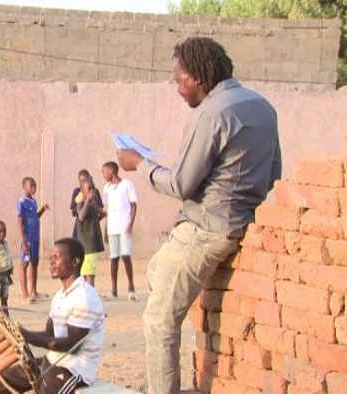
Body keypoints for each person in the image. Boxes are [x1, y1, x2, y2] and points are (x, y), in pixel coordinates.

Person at [116, 37, 281, 394]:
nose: (178, 89)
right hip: (239, 221)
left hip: (206, 227)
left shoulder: (213, 111)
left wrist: (139, 164)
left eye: (179, 80)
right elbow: (274, 175)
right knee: (159, 271)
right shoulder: (263, 107)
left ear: (198, 76)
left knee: (159, 321)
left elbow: (181, 184)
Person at [0, 238, 105, 394]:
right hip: (52, 361)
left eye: (57, 257)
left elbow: (71, 346)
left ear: (75, 261)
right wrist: (18, 334)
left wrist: (26, 335)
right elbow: (49, 335)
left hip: (74, 370)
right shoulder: (60, 295)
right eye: (51, 258)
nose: (51, 262)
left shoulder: (84, 297)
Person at [101, 161, 138, 301]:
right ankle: (114, 290)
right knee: (113, 258)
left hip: (124, 226)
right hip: (112, 227)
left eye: (104, 171)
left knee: (126, 256)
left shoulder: (127, 184)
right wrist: (105, 229)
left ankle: (131, 288)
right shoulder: (106, 188)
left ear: (112, 171)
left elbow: (134, 205)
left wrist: (130, 224)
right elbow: (106, 211)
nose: (103, 175)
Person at [17, 177, 49, 303]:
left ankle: (34, 291)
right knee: (24, 264)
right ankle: (25, 294)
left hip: (35, 239)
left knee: (34, 264)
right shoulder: (22, 202)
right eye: (31, 186)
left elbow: (35, 217)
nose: (34, 188)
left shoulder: (33, 201)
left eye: (35, 186)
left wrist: (43, 210)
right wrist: (23, 240)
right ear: (24, 187)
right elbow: (19, 221)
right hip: (27, 240)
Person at [74, 178, 105, 287]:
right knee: (85, 274)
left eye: (92, 188)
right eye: (89, 189)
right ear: (82, 191)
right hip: (85, 245)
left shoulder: (93, 202)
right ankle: (88, 296)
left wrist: (99, 214)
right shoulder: (81, 202)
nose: (92, 191)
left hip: (91, 243)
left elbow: (102, 212)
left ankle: (88, 296)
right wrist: (87, 201)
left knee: (90, 273)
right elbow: (81, 216)